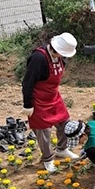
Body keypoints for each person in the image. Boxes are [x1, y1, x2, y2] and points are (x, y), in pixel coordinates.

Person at [21, 32, 80, 172]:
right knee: (43, 131)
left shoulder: (59, 57)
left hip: (53, 96)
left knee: (65, 122)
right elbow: (28, 82)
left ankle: (62, 149)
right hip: (38, 99)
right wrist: (28, 104)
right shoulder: (39, 58)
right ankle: (47, 159)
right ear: (56, 49)